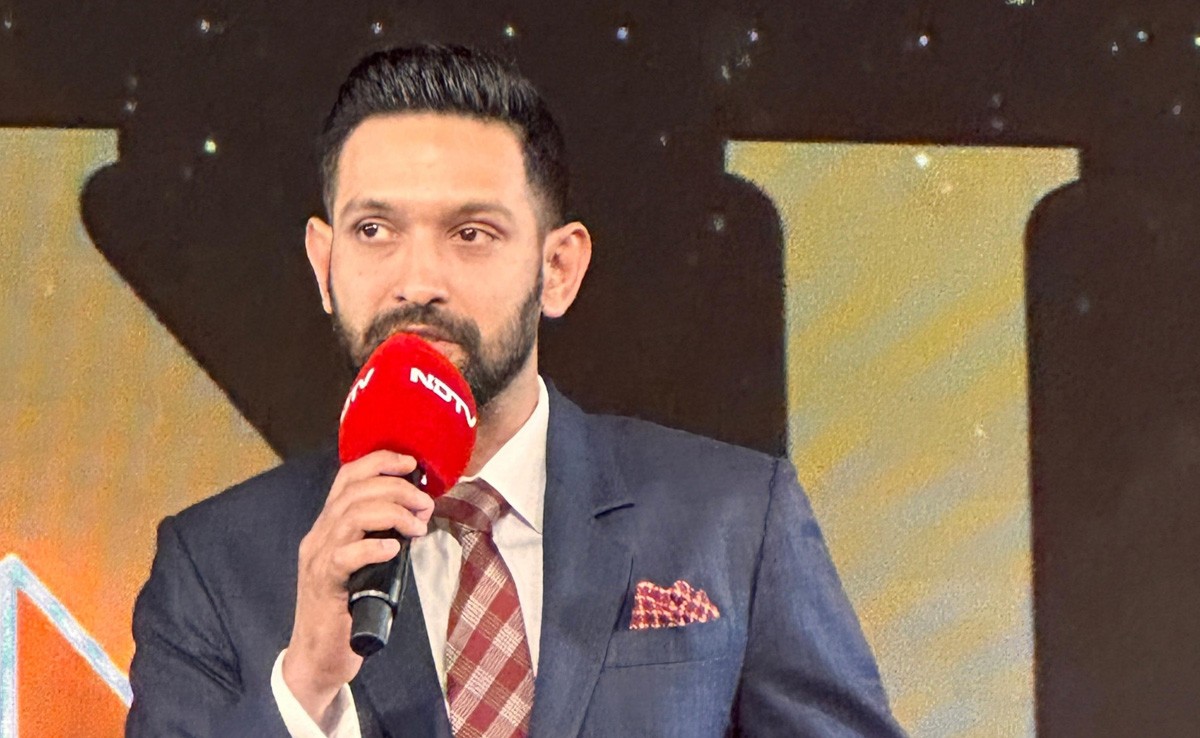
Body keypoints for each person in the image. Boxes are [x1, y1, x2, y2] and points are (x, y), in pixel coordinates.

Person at [126, 44, 906, 737]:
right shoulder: (211, 567)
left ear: (557, 269)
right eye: (374, 231)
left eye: (471, 233)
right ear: (324, 264)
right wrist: (305, 688)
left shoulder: (732, 521)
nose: (417, 281)